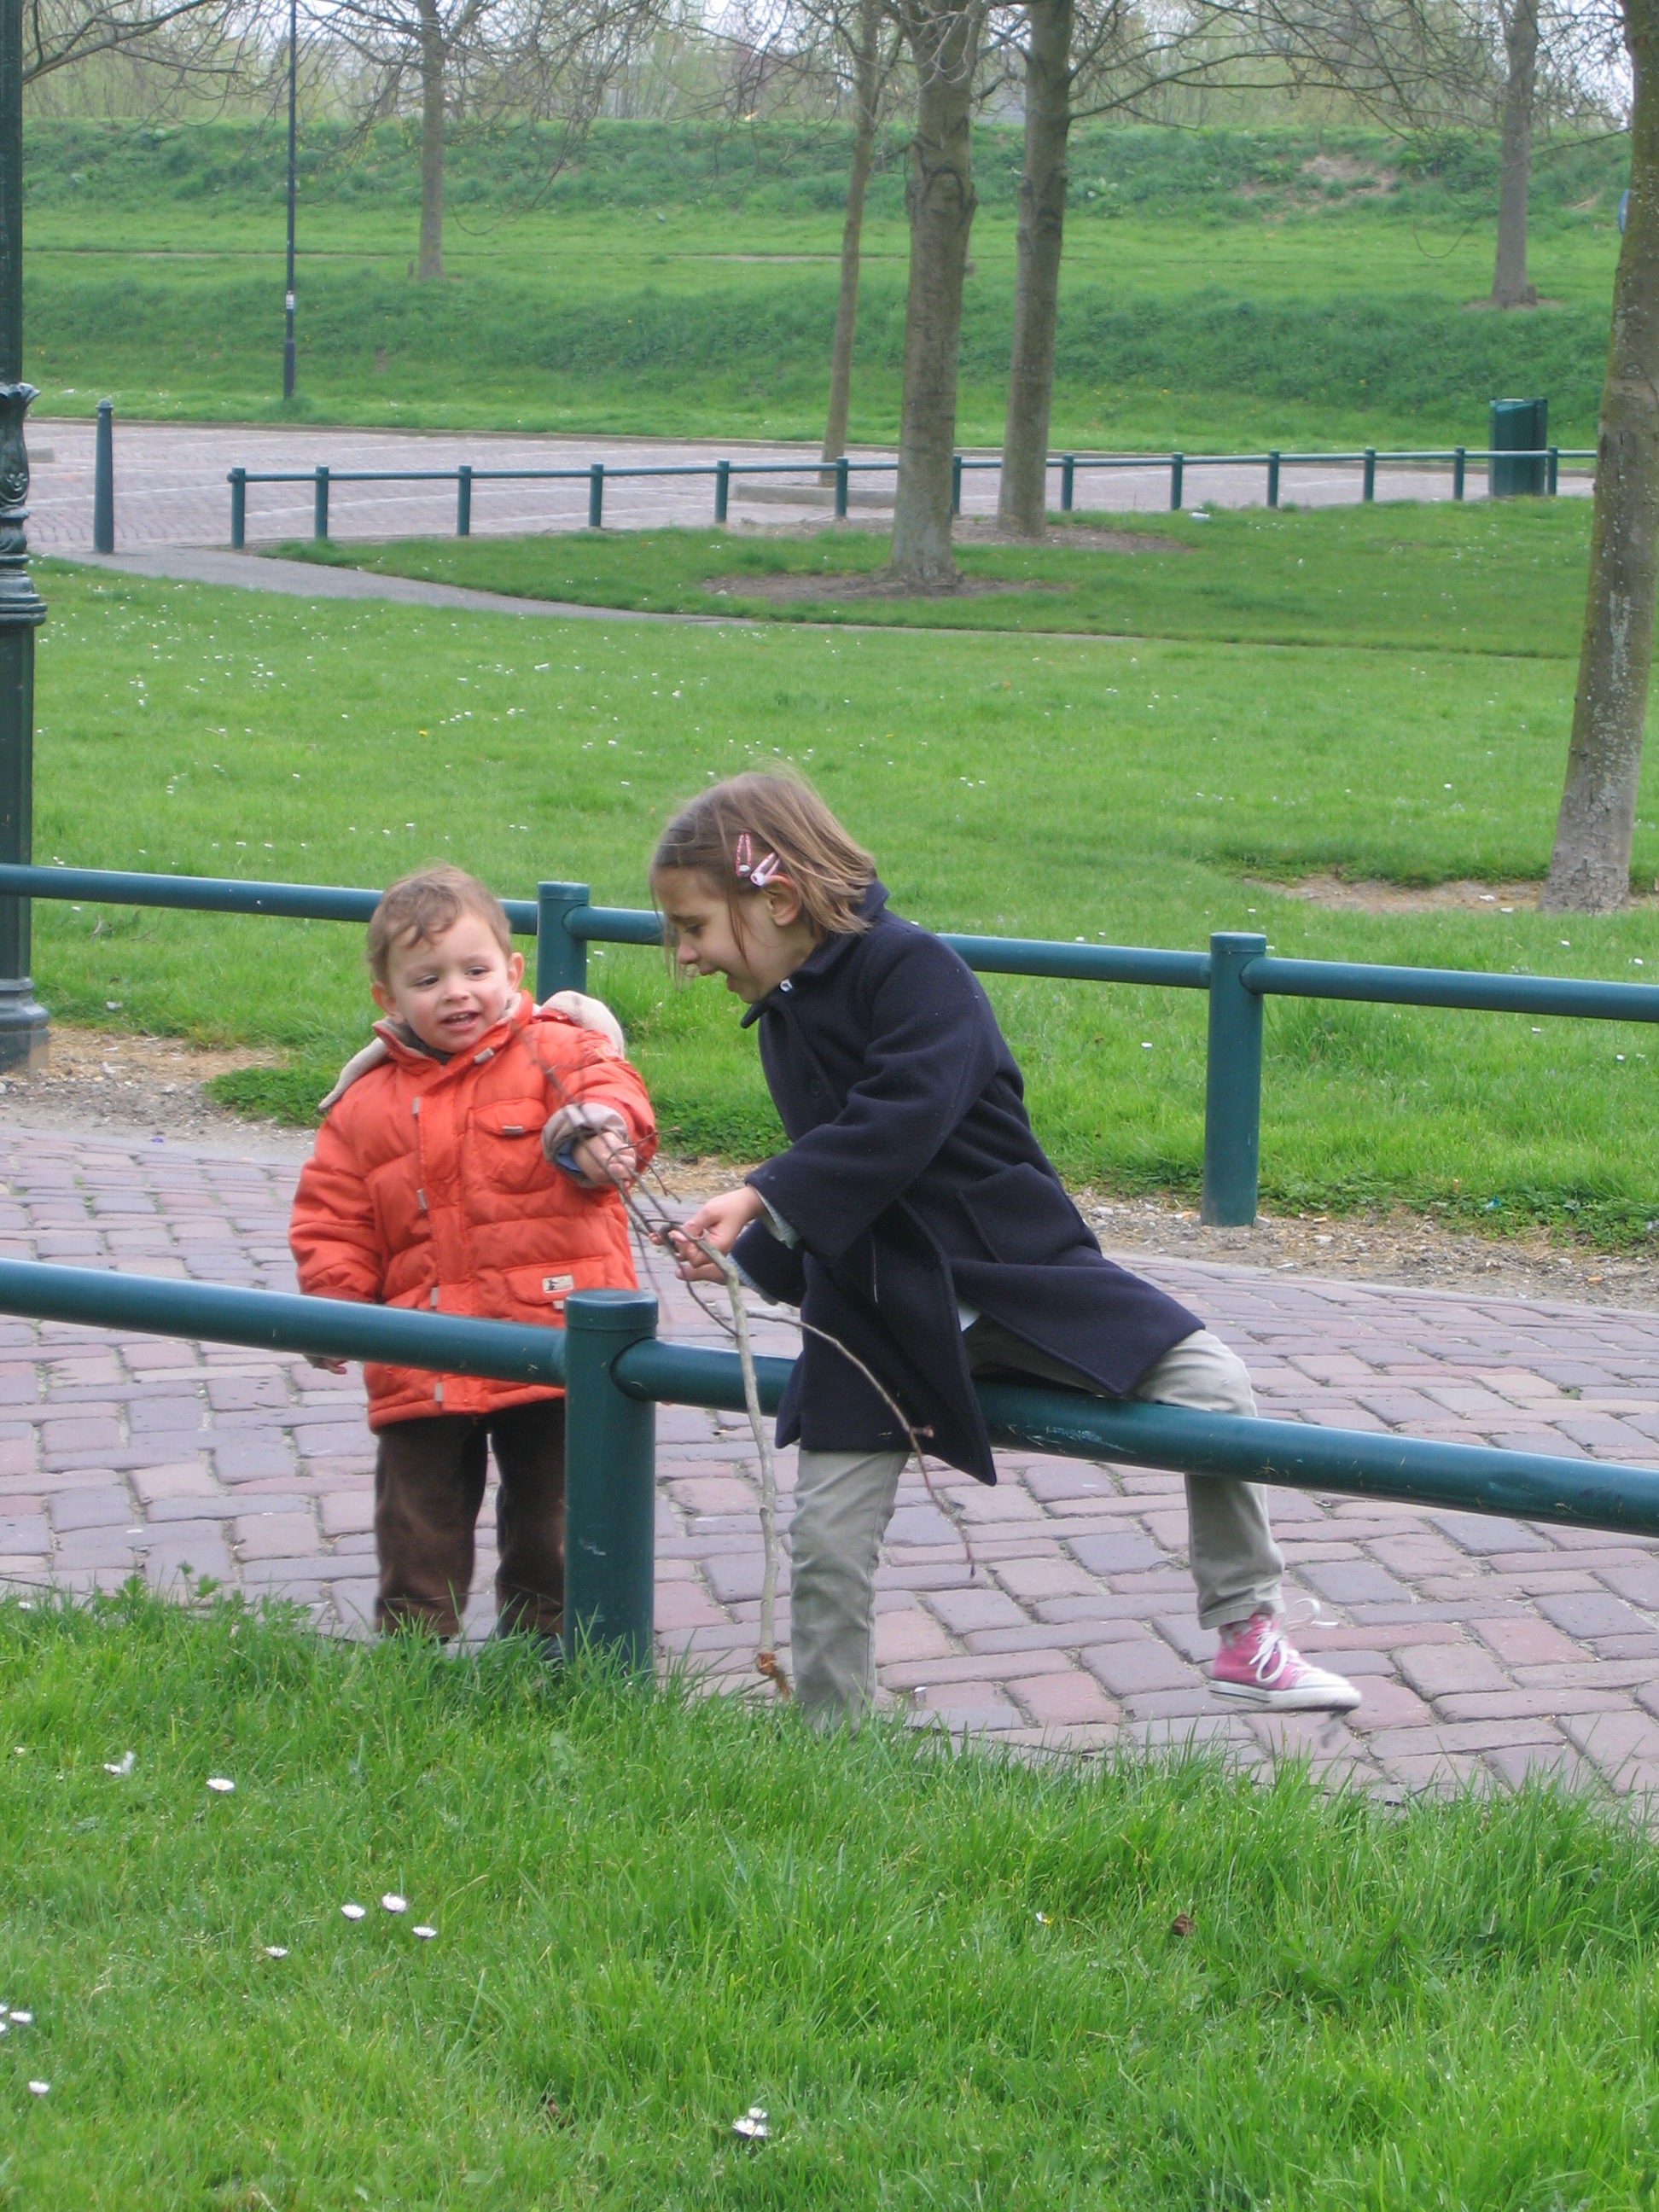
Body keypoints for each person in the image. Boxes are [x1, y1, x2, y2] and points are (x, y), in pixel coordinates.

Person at [655, 772, 1359, 1726]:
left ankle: (1247, 1632)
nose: (685, 955)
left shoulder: (914, 970)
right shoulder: (783, 1014)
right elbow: (853, 1183)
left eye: (693, 926)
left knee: (1215, 1388)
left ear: (776, 900)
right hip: (875, 1309)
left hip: (1015, 1273)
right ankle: (829, 1740)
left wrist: (764, 1195)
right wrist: (753, 1253)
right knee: (826, 1539)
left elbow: (903, 1119)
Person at [290, 864, 656, 1641]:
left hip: (549, 1336)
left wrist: (602, 1133)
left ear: (513, 971)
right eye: (428, 980)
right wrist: (334, 1304)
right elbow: (333, 1215)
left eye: (476, 971)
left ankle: (547, 1654)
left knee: (554, 1519)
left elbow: (610, 1090)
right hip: (420, 1347)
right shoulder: (364, 1103)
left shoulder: (557, 1050)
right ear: (389, 998)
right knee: (416, 1520)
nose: (457, 993)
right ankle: (414, 1653)